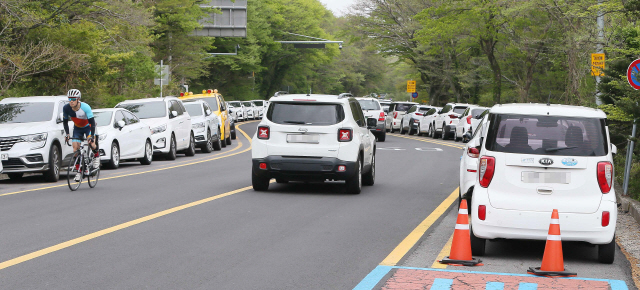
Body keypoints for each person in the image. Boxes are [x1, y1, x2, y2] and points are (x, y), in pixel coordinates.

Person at [63, 89, 100, 181]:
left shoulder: (85, 107)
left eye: (73, 99)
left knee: (91, 143)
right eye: (69, 99)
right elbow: (65, 122)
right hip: (77, 128)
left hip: (88, 127)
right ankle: (79, 172)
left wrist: (91, 135)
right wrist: (67, 134)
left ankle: (96, 156)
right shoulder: (66, 108)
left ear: (78, 99)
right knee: (75, 149)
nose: (71, 101)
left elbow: (92, 122)